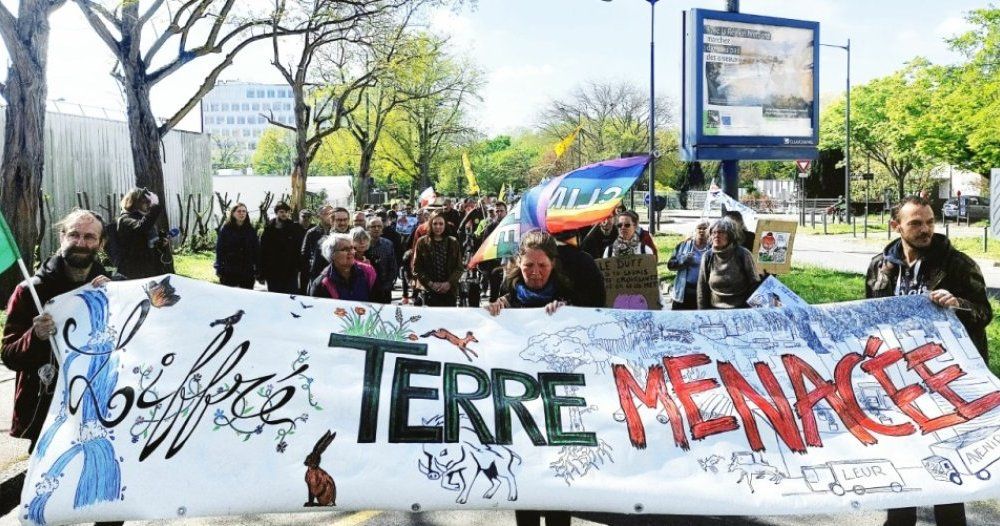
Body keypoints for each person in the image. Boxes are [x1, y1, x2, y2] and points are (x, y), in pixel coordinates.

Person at [867, 196, 991, 526]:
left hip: (945, 380)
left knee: (946, 463)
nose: (926, 230)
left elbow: (984, 313)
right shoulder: (880, 266)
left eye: (930, 222)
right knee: (904, 460)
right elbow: (866, 317)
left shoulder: (957, 264)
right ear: (896, 226)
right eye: (916, 223)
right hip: (898, 380)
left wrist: (958, 304)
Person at [485, 230, 575, 526]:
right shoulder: (507, 298)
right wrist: (492, 314)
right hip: (519, 406)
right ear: (518, 265)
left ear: (553, 265)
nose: (535, 273)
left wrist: (569, 314)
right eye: (528, 267)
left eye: (542, 266)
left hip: (557, 406)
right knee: (524, 475)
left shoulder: (570, 296)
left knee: (557, 478)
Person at [3, 210, 112, 453]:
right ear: (62, 237)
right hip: (46, 411)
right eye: (73, 234)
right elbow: (9, 356)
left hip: (99, 408)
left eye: (89, 237)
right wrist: (35, 335)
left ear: (101, 243)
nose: (81, 243)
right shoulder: (29, 292)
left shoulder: (115, 288)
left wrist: (116, 301)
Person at [697, 217, 760, 309]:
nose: (716, 235)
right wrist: (702, 312)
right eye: (714, 232)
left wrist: (748, 309)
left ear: (730, 235)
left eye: (721, 232)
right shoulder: (708, 256)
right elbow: (702, 287)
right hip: (715, 309)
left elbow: (754, 283)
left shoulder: (743, 254)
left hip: (740, 308)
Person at [115, 187, 168, 279]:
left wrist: (160, 244)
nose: (149, 205)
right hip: (134, 271)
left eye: (149, 202)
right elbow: (141, 228)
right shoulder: (125, 219)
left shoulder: (142, 218)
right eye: (145, 202)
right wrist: (154, 206)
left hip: (150, 269)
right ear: (135, 202)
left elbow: (145, 241)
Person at [413, 211, 462, 307]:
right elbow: (416, 268)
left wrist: (449, 283)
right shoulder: (422, 242)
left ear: (445, 225)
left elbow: (459, 268)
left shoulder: (453, 242)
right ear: (430, 224)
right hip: (428, 291)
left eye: (441, 224)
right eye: (435, 224)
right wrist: (431, 284)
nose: (438, 227)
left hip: (449, 291)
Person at [307, 233, 376, 301]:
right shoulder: (321, 283)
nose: (351, 252)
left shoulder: (367, 271)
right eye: (345, 249)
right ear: (332, 254)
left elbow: (377, 300)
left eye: (352, 248)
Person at [259, 202, 306, 294]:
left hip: (290, 272)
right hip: (273, 273)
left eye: (286, 212)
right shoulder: (268, 229)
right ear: (276, 213)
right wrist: (261, 274)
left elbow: (300, 250)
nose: (284, 214)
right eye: (281, 211)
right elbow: (262, 252)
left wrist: (300, 268)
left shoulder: (295, 228)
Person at [667, 220, 711, 310]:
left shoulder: (712, 248)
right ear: (695, 230)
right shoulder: (683, 246)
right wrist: (683, 261)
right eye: (699, 228)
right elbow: (670, 265)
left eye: (705, 228)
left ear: (709, 231)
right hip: (684, 291)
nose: (702, 231)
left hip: (704, 292)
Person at [214, 203, 260, 289]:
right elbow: (220, 250)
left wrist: (257, 268)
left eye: (244, 211)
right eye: (239, 211)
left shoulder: (251, 230)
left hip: (247, 271)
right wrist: (219, 267)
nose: (242, 213)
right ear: (233, 213)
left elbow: (256, 251)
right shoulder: (226, 230)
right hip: (229, 270)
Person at [366, 217, 398, 304]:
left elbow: (393, 266)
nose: (376, 229)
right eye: (373, 226)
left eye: (379, 226)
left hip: (384, 288)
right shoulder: (363, 245)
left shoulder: (388, 244)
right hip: (367, 289)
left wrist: (388, 284)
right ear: (368, 228)